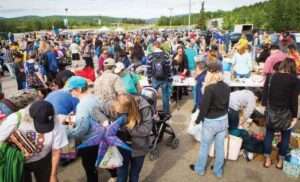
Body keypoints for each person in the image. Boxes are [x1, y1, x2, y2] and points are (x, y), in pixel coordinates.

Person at [0, 100, 68, 182]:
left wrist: (53, 175)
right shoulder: (15, 119)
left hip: (43, 160)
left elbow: (56, 151)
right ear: (30, 116)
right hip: (18, 161)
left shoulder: (56, 122)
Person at [190, 62, 230, 177]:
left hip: (211, 121)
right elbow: (227, 105)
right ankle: (218, 172)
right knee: (220, 148)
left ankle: (200, 169)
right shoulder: (226, 86)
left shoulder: (209, 88)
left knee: (204, 147)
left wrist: (197, 120)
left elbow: (204, 108)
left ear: (210, 73)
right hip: (223, 120)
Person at [64, 76, 106, 182]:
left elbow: (81, 130)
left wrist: (66, 130)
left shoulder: (82, 105)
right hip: (102, 136)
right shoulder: (95, 97)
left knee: (89, 167)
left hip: (90, 141)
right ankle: (115, 176)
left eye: (71, 90)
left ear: (78, 89)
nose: (70, 93)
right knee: (104, 161)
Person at [262, 58, 299, 169]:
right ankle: (280, 162)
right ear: (293, 68)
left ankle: (267, 160)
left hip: (271, 111)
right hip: (286, 113)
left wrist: (265, 107)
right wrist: (295, 116)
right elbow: (294, 101)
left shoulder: (271, 77)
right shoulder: (295, 80)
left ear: (282, 65)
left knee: (269, 135)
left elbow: (264, 96)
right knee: (285, 137)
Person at [112, 94, 153, 182]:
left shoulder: (144, 107)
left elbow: (147, 128)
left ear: (129, 109)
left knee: (135, 173)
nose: (119, 114)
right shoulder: (117, 103)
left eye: (121, 113)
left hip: (139, 148)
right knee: (121, 173)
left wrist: (129, 129)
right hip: (122, 146)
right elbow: (98, 110)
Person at [147, 41, 172, 113]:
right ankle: (166, 112)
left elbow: (149, 68)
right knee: (165, 96)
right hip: (165, 78)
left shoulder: (150, 55)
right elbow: (168, 67)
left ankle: (153, 111)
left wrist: (149, 79)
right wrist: (170, 78)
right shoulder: (166, 55)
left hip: (155, 78)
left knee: (153, 95)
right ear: (159, 46)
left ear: (154, 46)